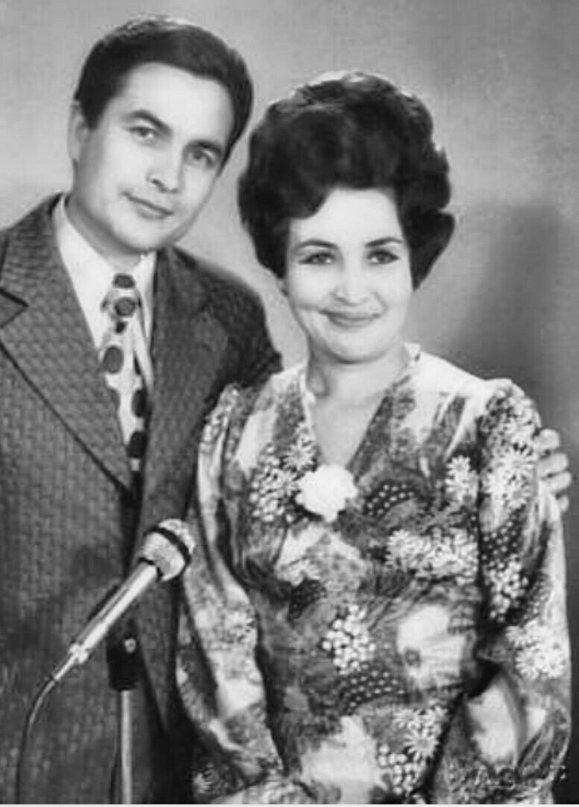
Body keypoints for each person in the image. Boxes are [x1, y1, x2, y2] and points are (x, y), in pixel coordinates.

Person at [0, 16, 281, 803]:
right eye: (146, 132)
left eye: (200, 154)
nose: (167, 176)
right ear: (81, 129)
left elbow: (287, 486)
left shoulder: (229, 317)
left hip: (166, 759)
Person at [176, 72, 571, 803]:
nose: (352, 289)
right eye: (319, 256)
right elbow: (215, 654)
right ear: (280, 265)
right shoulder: (236, 429)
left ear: (415, 254)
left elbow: (530, 663)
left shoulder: (488, 426)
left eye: (380, 254)